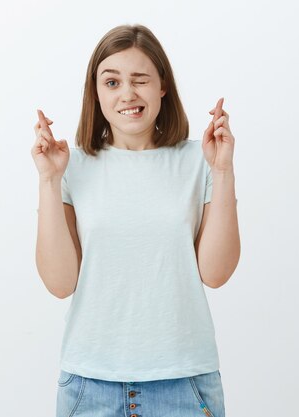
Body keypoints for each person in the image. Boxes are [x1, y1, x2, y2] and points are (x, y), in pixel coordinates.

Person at [31, 23, 240, 417]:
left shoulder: (201, 160)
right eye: (111, 82)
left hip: (185, 381)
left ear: (162, 85)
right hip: (89, 384)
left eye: (140, 80)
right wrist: (48, 179)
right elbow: (60, 283)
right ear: (96, 92)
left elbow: (215, 273)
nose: (127, 94)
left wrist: (224, 171)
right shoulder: (70, 166)